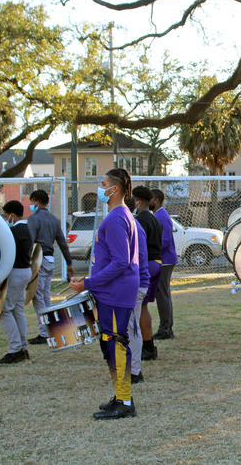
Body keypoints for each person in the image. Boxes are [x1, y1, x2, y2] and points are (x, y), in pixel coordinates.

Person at [70, 168, 140, 420]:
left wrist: (88, 283)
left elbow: (121, 262)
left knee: (116, 344)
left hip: (115, 292)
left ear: (115, 189)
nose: (100, 188)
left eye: (103, 184)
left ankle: (125, 401)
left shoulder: (116, 218)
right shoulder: (121, 215)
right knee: (110, 343)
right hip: (112, 291)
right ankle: (121, 395)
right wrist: (90, 281)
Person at [27, 189, 75, 345]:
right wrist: (69, 263)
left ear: (36, 201)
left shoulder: (34, 219)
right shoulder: (54, 220)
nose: (31, 205)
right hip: (50, 258)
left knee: (38, 295)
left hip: (38, 258)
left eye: (32, 202)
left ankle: (44, 331)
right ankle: (51, 327)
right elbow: (62, 242)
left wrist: (27, 260)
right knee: (46, 295)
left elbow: (31, 241)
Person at [0, 200, 33, 364]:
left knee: (4, 311)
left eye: (6, 215)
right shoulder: (26, 228)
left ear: (11, 215)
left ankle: (15, 348)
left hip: (16, 272)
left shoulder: (15, 231)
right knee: (18, 309)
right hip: (25, 270)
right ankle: (22, 346)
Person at [131, 187, 161, 360]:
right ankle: (148, 345)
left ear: (138, 202)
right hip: (157, 263)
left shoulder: (140, 220)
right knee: (143, 307)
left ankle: (147, 346)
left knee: (139, 307)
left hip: (147, 264)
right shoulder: (154, 218)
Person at [124, 197, 150, 384]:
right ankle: (132, 367)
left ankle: (135, 370)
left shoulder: (133, 226)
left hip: (135, 283)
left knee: (132, 327)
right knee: (130, 327)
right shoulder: (132, 224)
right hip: (134, 282)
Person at [150, 189, 177, 340]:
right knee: (163, 294)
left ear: (157, 200)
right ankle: (166, 327)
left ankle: (166, 329)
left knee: (162, 295)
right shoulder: (158, 215)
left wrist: (152, 252)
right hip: (163, 260)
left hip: (165, 261)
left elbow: (165, 241)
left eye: (151, 199)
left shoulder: (162, 216)